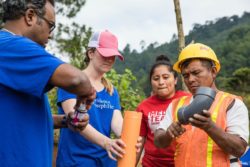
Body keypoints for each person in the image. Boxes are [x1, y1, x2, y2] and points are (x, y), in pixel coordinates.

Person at [0, 0, 96, 167]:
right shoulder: (10, 45)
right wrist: (84, 95)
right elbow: (78, 80)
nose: (51, 35)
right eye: (50, 25)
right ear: (30, 16)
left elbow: (21, 116)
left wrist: (66, 121)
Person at [154, 43, 249, 167]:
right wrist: (168, 134)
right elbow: (158, 141)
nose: (190, 79)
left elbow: (239, 149)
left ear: (213, 72)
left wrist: (209, 127)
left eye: (196, 72)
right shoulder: (176, 105)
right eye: (186, 75)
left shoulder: (232, 103)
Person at [56, 30, 127, 167]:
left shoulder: (111, 90)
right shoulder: (72, 82)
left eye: (113, 55)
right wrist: (107, 142)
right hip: (77, 161)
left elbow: (117, 123)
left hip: (106, 161)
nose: (109, 59)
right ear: (91, 53)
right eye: (105, 54)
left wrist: (131, 137)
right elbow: (76, 121)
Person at [135, 55, 190, 167]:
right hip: (151, 164)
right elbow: (138, 142)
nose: (161, 82)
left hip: (182, 162)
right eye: (156, 78)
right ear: (151, 82)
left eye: (166, 77)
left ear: (175, 80)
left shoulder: (188, 101)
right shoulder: (143, 107)